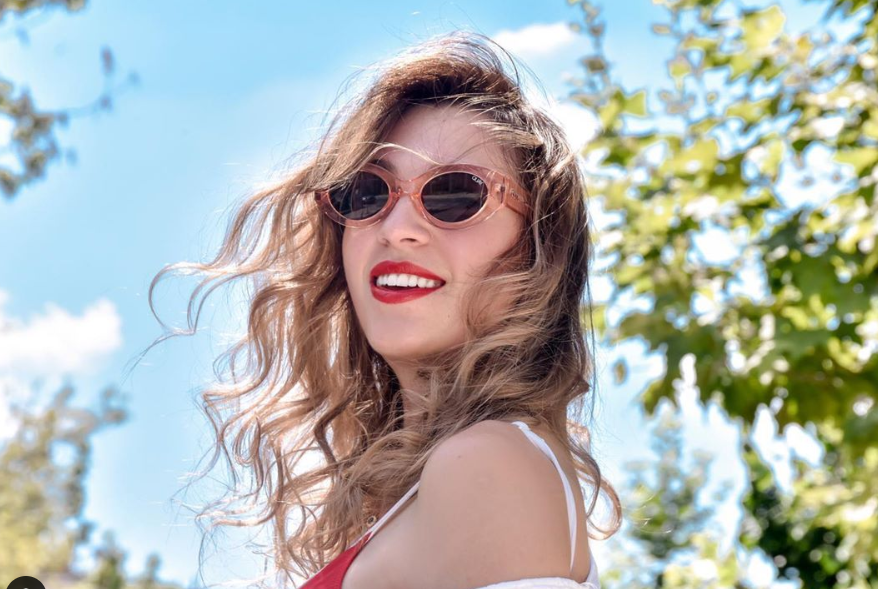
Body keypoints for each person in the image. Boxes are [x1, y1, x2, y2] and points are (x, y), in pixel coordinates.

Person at [150, 29, 621, 589]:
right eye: (367, 193)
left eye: (455, 194)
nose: (396, 229)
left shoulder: (487, 461)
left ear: (539, 250)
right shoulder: (459, 474)